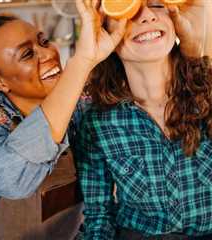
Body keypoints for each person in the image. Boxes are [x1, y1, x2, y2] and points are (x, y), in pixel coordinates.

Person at [0, 0, 128, 239]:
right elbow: (11, 178)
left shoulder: (82, 100)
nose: (48, 54)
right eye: (27, 54)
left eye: (44, 41)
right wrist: (81, 62)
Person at [74, 0, 212, 239]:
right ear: (106, 35)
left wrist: (196, 41)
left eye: (157, 4)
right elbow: (99, 216)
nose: (147, 15)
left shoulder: (208, 93)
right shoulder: (96, 122)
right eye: (129, 10)